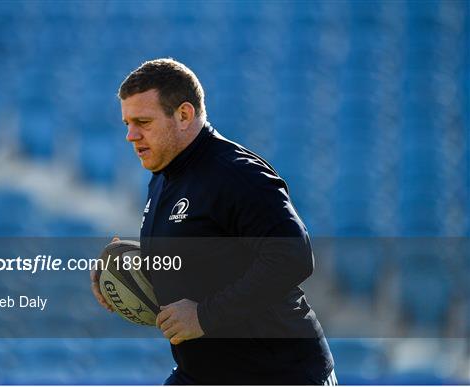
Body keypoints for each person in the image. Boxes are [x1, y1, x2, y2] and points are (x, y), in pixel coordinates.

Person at [91, 58, 337, 385]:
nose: (130, 135)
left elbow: (293, 257)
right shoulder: (162, 176)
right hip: (202, 373)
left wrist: (204, 316)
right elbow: (205, 254)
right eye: (126, 123)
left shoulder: (237, 174)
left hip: (279, 375)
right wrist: (119, 269)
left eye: (143, 122)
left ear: (184, 115)